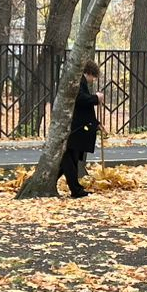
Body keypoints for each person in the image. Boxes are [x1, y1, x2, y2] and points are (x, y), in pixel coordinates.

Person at [58, 60, 105, 198]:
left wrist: (96, 123)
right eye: (93, 77)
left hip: (76, 126)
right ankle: (76, 190)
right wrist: (96, 98)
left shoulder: (79, 82)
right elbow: (81, 100)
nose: (93, 80)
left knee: (68, 160)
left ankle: (56, 182)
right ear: (89, 73)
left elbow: (85, 109)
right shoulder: (79, 83)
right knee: (69, 159)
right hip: (75, 128)